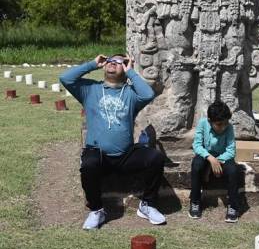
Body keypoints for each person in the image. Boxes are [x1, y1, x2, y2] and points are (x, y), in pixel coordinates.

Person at [60, 54, 166, 230]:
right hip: (99, 154)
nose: (112, 63)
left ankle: (147, 205)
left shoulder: (131, 94)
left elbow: (148, 93)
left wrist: (131, 72)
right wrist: (92, 64)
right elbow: (65, 78)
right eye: (110, 60)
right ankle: (96, 210)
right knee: (88, 163)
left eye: (119, 62)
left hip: (125, 154)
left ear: (124, 67)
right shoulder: (90, 89)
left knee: (155, 157)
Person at [189, 100, 240, 223]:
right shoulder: (202, 123)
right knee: (196, 165)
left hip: (223, 156)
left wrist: (218, 161)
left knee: (233, 170)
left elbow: (231, 151)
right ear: (210, 121)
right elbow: (197, 145)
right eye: (219, 124)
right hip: (206, 155)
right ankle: (195, 201)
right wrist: (210, 159)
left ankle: (233, 205)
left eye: (225, 123)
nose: (223, 127)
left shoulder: (229, 128)